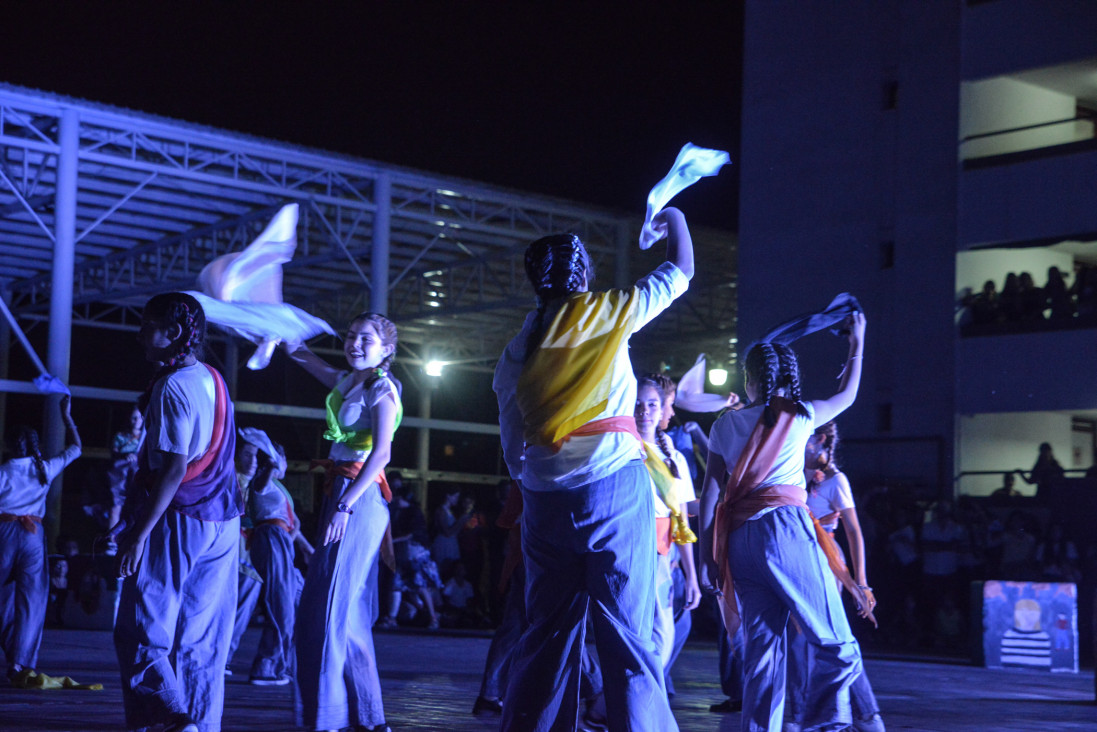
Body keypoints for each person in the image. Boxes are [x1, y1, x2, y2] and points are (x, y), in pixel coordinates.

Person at [493, 207, 693, 731]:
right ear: (581, 275)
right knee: (626, 634)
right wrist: (672, 215)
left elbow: (512, 438)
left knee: (546, 635)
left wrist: (539, 484)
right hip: (612, 484)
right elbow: (681, 271)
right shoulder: (607, 312)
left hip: (543, 496)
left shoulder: (518, 348)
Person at [698, 313, 872, 732]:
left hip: (738, 542)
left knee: (763, 658)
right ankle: (823, 722)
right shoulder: (800, 415)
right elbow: (847, 393)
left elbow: (709, 496)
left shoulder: (725, 423)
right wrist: (856, 343)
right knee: (839, 644)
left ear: (750, 379)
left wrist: (709, 558)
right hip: (784, 531)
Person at [114, 292, 243, 732]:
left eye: (146, 324)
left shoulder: (172, 387)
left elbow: (172, 470)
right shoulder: (213, 378)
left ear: (172, 334)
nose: (139, 334)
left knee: (142, 632)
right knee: (201, 642)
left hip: (180, 519)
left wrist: (138, 534)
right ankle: (201, 726)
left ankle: (170, 719)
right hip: (223, 520)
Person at [284, 311, 401, 732]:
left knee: (326, 610)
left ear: (386, 350)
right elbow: (301, 355)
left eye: (366, 339)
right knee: (346, 615)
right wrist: (277, 322)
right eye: (351, 336)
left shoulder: (381, 387)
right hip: (343, 493)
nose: (355, 343)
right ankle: (371, 719)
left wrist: (345, 505)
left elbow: (382, 454)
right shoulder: (347, 381)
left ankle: (326, 720)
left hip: (358, 498)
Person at [787, 421, 884, 732]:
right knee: (799, 641)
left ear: (820, 440)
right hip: (795, 559)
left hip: (825, 561)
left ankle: (866, 715)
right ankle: (802, 714)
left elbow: (854, 530)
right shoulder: (792, 471)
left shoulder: (834, 480)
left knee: (830, 640)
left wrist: (861, 581)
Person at [0, 397, 81, 681]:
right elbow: (77, 448)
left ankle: (13, 654)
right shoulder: (44, 468)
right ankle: (20, 663)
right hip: (33, 536)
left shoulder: (2, 472)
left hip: (3, 534)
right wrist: (66, 416)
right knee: (31, 601)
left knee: (4, 600)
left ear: (9, 445)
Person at [634, 374, 700, 673]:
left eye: (651, 404)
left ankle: (604, 710)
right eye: (637, 404)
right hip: (627, 553)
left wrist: (692, 576)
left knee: (663, 638)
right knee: (633, 634)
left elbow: (681, 520)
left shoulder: (673, 456)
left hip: (661, 558)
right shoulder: (619, 449)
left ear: (662, 410)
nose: (644, 411)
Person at [241, 431, 312, 686]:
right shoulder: (264, 479)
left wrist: (306, 548)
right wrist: (270, 467)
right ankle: (267, 667)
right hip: (271, 538)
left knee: (293, 602)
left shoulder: (279, 488)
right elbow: (259, 489)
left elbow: (290, 526)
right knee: (281, 606)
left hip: (279, 541)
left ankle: (279, 663)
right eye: (282, 458)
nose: (284, 464)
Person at [380, 481, 441, 629]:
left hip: (414, 554)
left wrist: (392, 540)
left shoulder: (413, 512)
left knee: (419, 585)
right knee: (397, 584)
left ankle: (433, 617)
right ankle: (392, 617)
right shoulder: (397, 512)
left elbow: (413, 533)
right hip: (402, 554)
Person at [105, 404, 145, 554]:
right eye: (133, 417)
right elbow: (113, 454)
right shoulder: (121, 436)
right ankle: (111, 542)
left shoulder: (146, 437)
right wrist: (125, 456)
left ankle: (133, 539)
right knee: (116, 507)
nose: (136, 421)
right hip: (119, 475)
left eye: (139, 418)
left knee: (137, 507)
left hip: (138, 475)